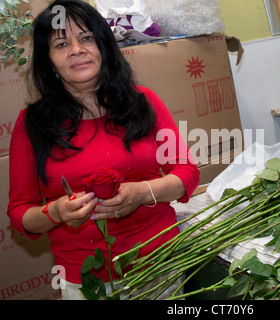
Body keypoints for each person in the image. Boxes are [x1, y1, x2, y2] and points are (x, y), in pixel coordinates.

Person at [7, 0, 200, 299]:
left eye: (86, 37)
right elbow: (20, 214)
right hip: (85, 281)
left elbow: (186, 173)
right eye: (61, 43)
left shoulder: (143, 102)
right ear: (49, 62)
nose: (76, 49)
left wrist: (141, 193)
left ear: (103, 46)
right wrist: (56, 212)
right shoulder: (32, 124)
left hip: (161, 264)